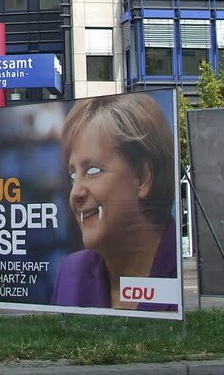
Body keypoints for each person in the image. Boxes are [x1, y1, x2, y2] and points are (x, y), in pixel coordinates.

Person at [50, 93, 177, 311]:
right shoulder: (71, 273)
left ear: (143, 177)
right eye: (73, 175)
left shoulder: (186, 273)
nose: (75, 193)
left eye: (93, 170)